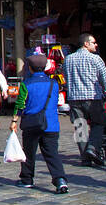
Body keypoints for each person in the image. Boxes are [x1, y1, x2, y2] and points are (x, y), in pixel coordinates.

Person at [11, 53, 68, 194]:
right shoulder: (54, 84)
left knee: (29, 153)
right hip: (51, 123)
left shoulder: (26, 84)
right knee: (52, 153)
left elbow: (20, 103)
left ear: (30, 68)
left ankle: (27, 179)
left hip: (32, 123)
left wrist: (14, 120)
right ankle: (60, 180)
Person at [64, 33, 106, 166]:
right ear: (86, 43)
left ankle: (85, 157)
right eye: (93, 42)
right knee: (99, 122)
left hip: (74, 97)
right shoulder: (95, 58)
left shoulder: (69, 59)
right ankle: (92, 147)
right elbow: (104, 77)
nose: (96, 45)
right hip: (93, 96)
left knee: (80, 126)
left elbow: (66, 76)